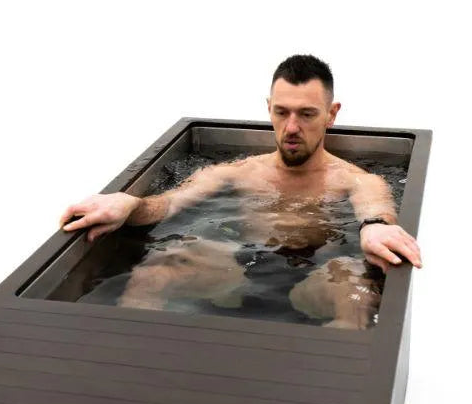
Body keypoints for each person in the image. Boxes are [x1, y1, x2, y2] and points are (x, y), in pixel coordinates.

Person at [59, 55, 422, 328]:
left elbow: (374, 210)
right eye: (282, 112)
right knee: (159, 265)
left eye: (307, 114)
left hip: (318, 276)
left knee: (355, 288)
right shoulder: (239, 171)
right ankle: (130, 368)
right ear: (268, 109)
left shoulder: (355, 179)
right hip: (238, 269)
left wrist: (375, 225)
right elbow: (170, 202)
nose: (291, 127)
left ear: (331, 114)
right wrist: (130, 203)